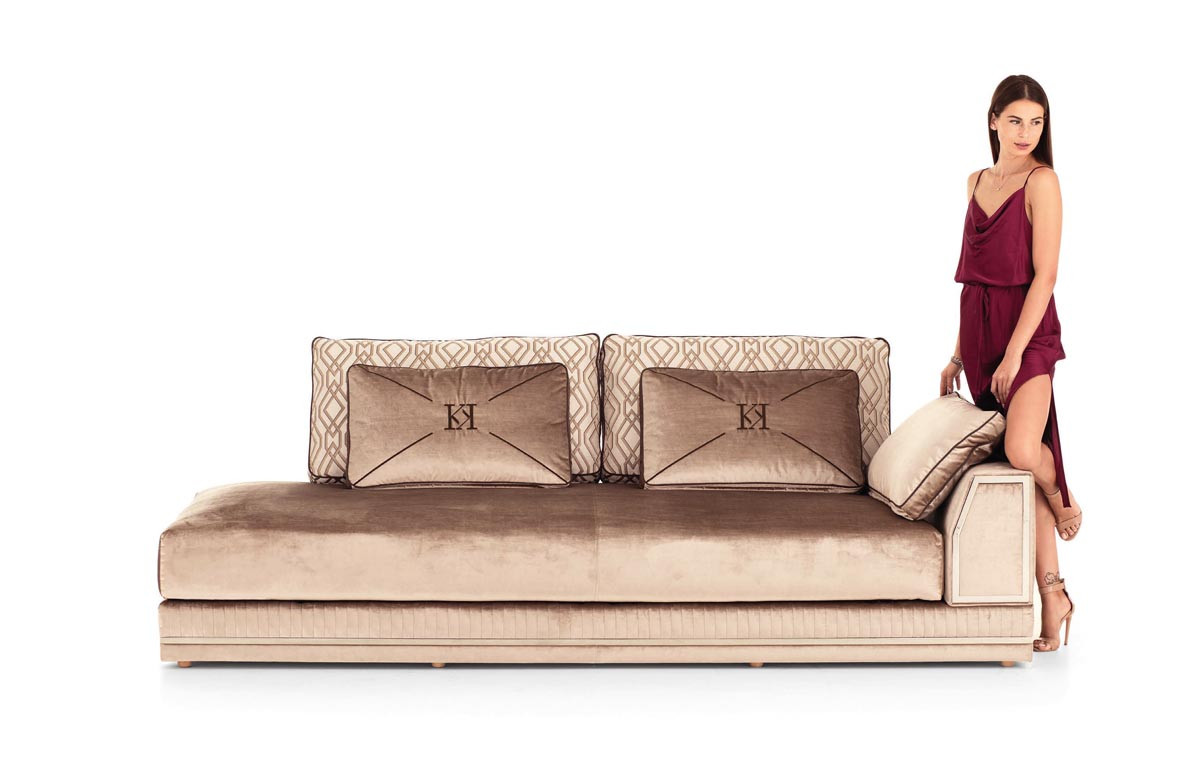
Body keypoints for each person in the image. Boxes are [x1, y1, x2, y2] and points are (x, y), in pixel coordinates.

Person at [941, 75, 1081, 653]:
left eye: (1037, 122)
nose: (1027, 133)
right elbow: (972, 280)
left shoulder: (1042, 182)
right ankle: (1053, 598)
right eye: (1017, 120)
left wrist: (1018, 352)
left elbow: (1045, 276)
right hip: (980, 338)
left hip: (1028, 334)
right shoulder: (976, 181)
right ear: (993, 120)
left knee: (1025, 451)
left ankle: (1063, 497)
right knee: (1019, 471)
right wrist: (956, 355)